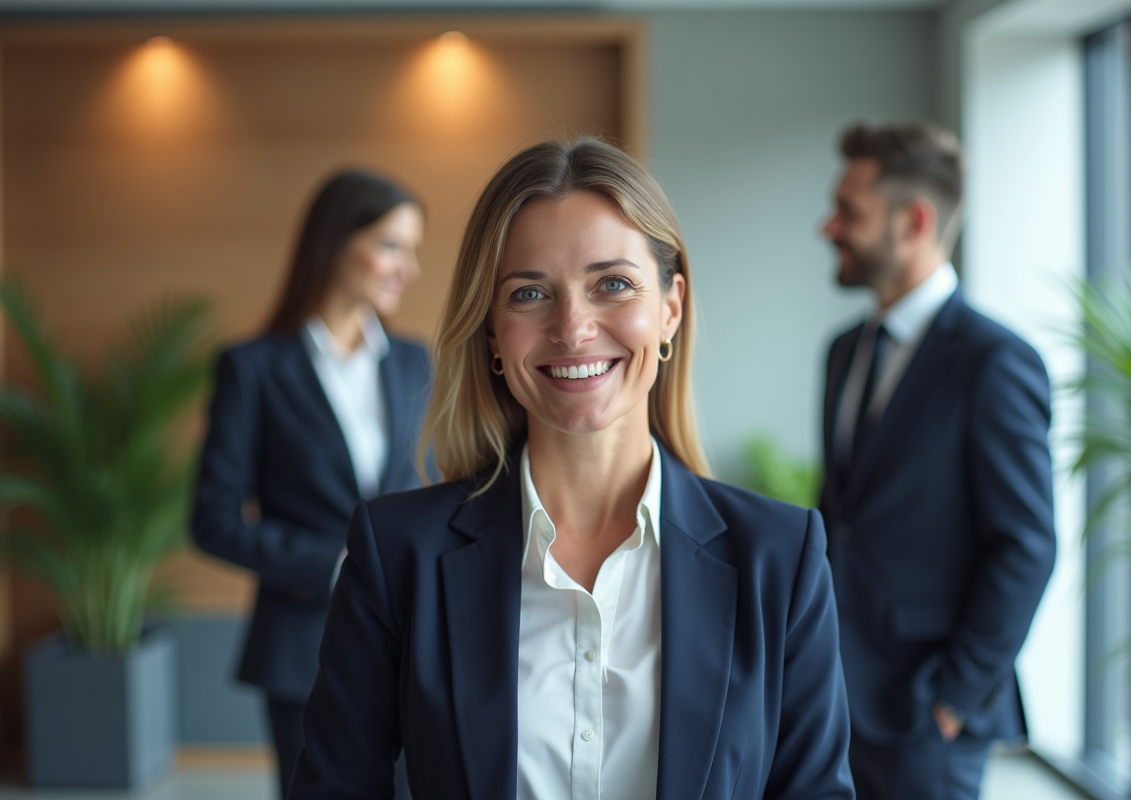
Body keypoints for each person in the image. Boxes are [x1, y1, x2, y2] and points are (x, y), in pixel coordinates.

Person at [288, 138, 855, 800]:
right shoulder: (397, 554)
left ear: (670, 308)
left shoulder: (780, 557)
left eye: (612, 284)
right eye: (529, 293)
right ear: (492, 332)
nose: (573, 327)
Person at [817, 120, 1056, 800]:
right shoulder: (843, 351)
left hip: (927, 714)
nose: (828, 228)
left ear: (914, 222)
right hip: (837, 694)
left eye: (849, 211)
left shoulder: (995, 362)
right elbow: (843, 517)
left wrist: (952, 699)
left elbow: (1027, 544)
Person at [191, 169, 430, 800]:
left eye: (412, 250)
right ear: (334, 242)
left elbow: (434, 488)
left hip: (411, 641)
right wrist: (337, 562)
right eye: (390, 246)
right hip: (302, 647)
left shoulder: (414, 362)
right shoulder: (253, 370)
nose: (408, 268)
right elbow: (212, 518)